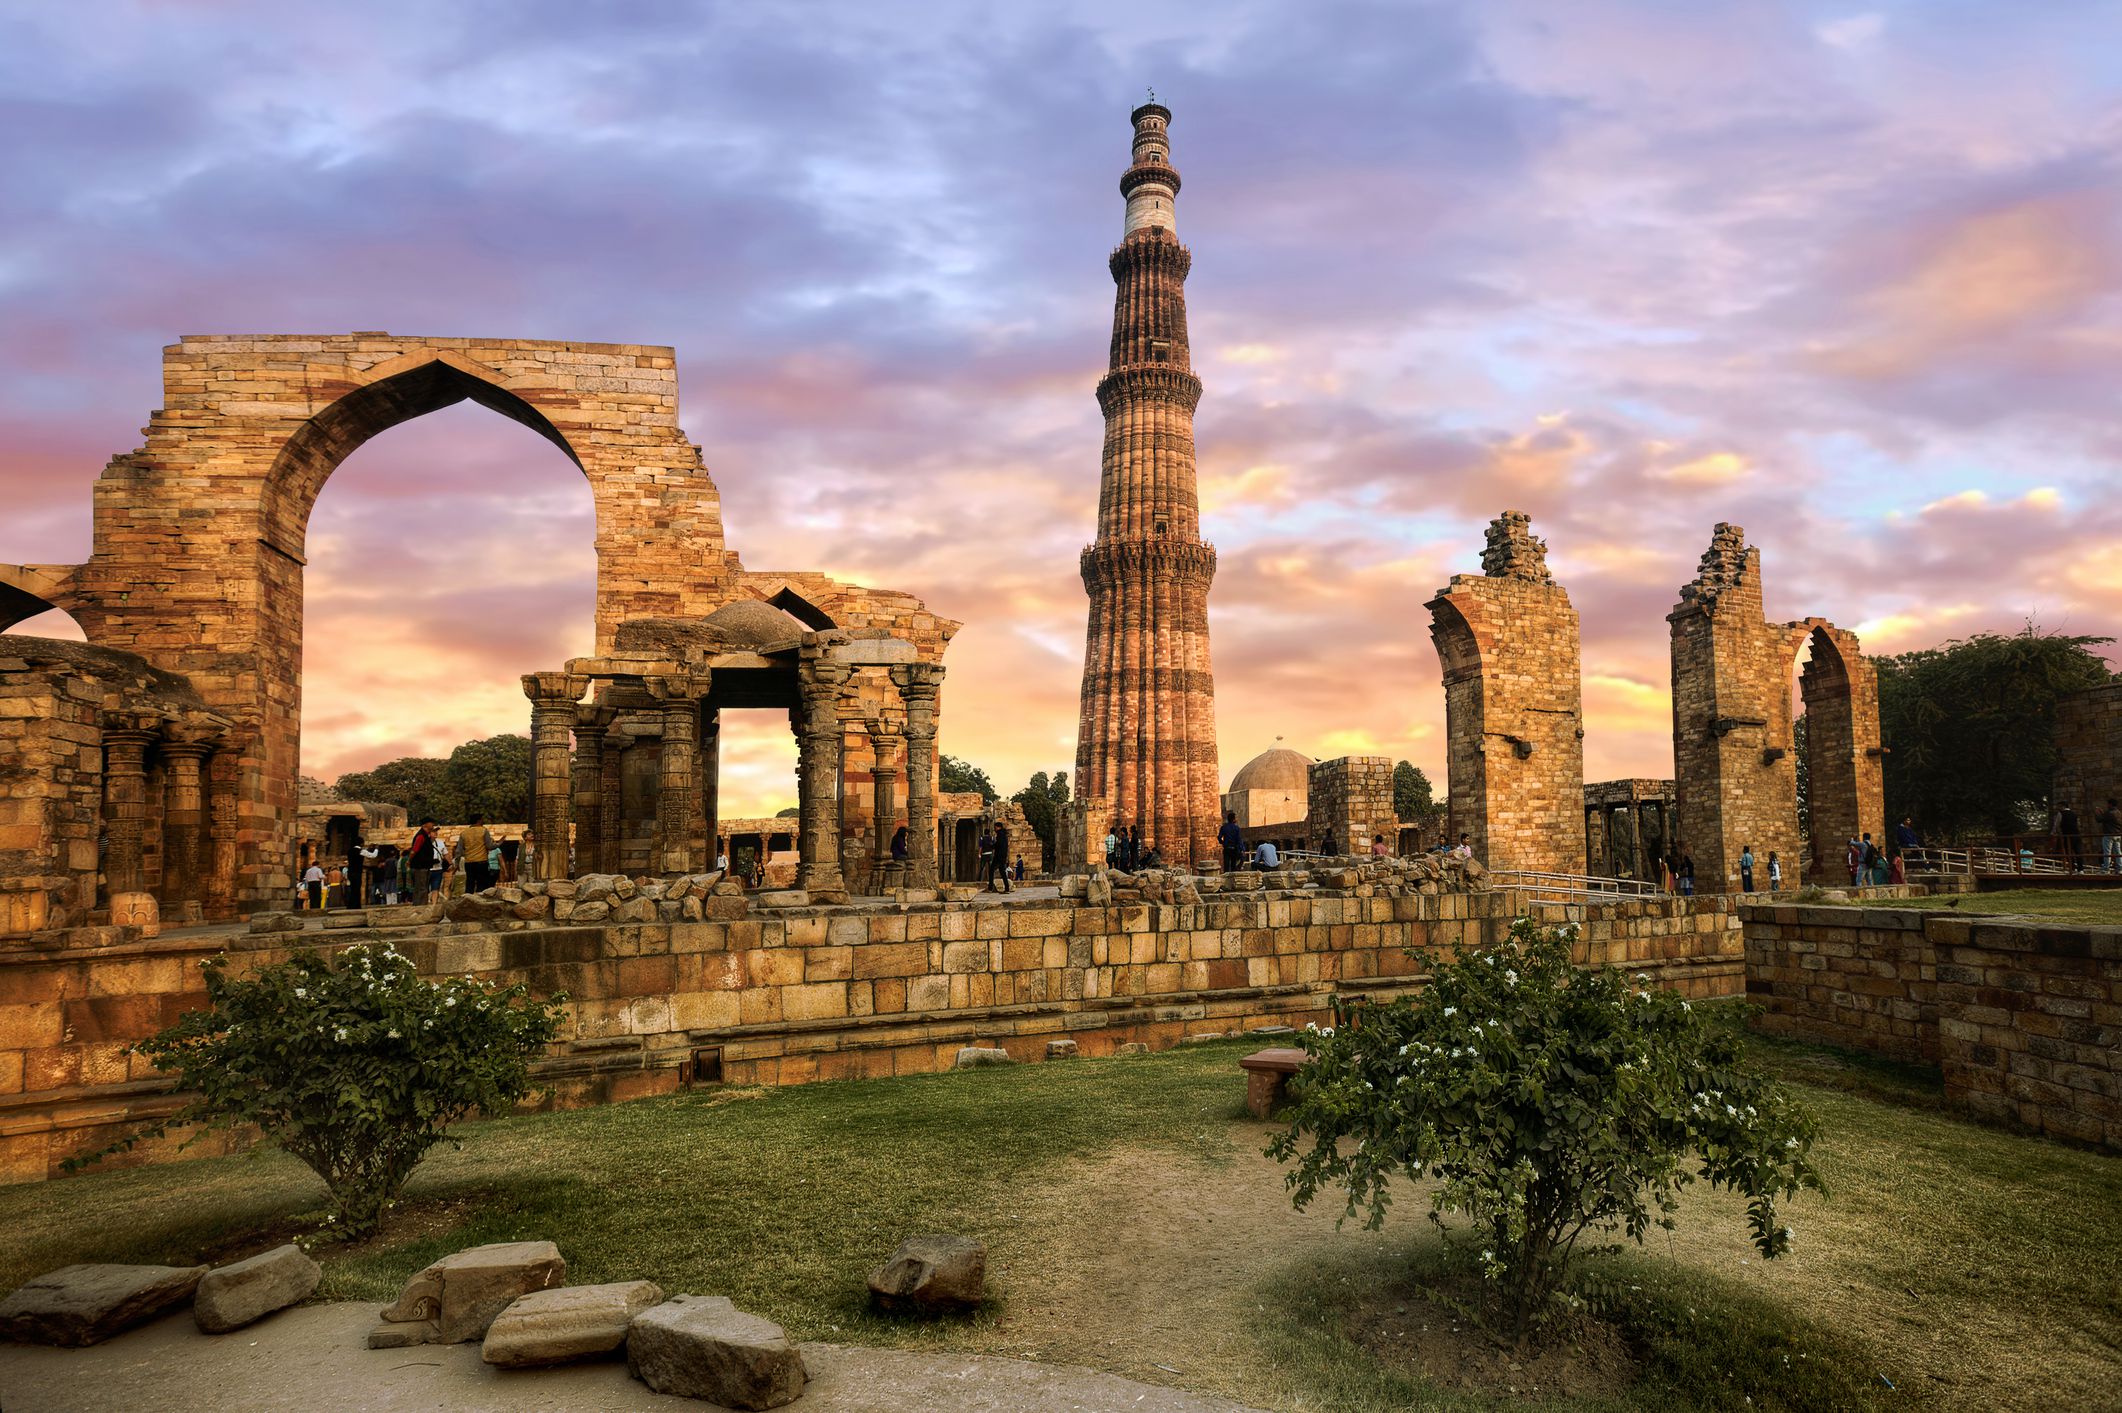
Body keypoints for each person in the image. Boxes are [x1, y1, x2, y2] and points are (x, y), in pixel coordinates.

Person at [407, 819, 439, 904]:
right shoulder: (421, 836)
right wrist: (409, 860)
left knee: (422, 886)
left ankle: (420, 904)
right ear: (425, 824)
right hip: (420, 866)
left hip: (425, 865)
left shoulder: (426, 836)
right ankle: (420, 905)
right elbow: (415, 850)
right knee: (422, 887)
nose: (433, 825)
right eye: (431, 823)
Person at [460, 816, 493, 893]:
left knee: (470, 883)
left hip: (469, 862)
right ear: (478, 821)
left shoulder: (464, 833)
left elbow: (459, 849)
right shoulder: (484, 830)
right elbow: (489, 846)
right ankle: (480, 901)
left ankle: (468, 900)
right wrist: (499, 843)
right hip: (481, 861)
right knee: (482, 884)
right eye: (482, 819)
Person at [985, 825, 1012, 893]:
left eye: (995, 827)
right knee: (1002, 872)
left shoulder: (1000, 834)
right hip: (1003, 856)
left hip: (998, 856)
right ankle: (1007, 888)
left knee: (991, 870)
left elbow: (998, 845)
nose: (995, 829)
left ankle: (990, 888)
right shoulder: (1004, 835)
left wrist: (992, 845)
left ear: (999, 827)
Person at [2099, 798, 2121, 876]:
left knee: (2107, 852)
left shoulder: (2109, 813)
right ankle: (2119, 869)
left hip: (2109, 835)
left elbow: (2099, 819)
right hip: (2118, 834)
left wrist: (2097, 813)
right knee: (2118, 852)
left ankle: (2106, 869)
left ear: (2110, 804)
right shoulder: (2119, 812)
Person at [2057, 804, 2082, 872]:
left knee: (2069, 852)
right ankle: (2081, 869)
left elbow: (2057, 825)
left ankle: (2072, 868)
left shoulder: (2060, 814)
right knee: (2078, 852)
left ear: (2063, 806)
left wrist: (2059, 834)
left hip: (2067, 835)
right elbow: (2078, 824)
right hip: (2076, 835)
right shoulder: (2074, 814)